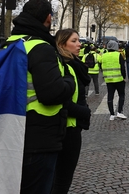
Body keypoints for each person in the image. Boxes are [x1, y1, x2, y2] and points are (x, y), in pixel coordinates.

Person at [8, 0, 77, 194]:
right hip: (40, 135)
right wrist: (68, 82)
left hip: (12, 130)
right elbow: (52, 93)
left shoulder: (9, 43)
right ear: (48, 18)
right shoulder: (41, 47)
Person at [51, 29, 92, 194]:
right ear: (61, 45)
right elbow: (61, 99)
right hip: (66, 127)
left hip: (71, 125)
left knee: (61, 179)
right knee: (61, 180)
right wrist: (84, 112)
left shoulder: (74, 64)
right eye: (74, 41)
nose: (79, 44)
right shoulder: (64, 66)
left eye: (78, 40)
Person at [102, 40, 127, 121]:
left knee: (110, 96)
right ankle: (119, 112)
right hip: (119, 79)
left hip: (108, 79)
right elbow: (122, 67)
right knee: (121, 95)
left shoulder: (104, 55)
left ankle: (112, 114)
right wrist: (124, 77)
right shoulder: (118, 55)